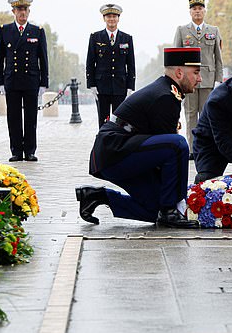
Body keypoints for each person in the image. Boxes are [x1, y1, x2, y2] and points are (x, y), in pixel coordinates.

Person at [76, 48, 202, 229]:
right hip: (116, 153)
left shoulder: (167, 91)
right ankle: (170, 211)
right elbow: (168, 152)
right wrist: (177, 201)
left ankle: (97, 196)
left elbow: (161, 156)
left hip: (123, 152)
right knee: (178, 144)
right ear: (179, 73)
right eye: (196, 73)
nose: (200, 79)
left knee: (154, 212)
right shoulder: (165, 96)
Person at [0, 0, 48, 162]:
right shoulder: (4, 30)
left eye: (25, 10)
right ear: (13, 12)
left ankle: (30, 151)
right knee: (14, 117)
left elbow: (43, 58)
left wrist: (43, 82)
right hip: (12, 79)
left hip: (31, 80)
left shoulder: (37, 31)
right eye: (19, 10)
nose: (22, 13)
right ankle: (16, 151)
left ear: (29, 11)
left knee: (31, 117)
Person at [173, 0, 223, 158]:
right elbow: (176, 57)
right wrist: (177, 79)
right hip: (188, 81)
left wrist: (219, 80)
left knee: (208, 114)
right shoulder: (181, 30)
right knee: (190, 113)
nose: (197, 11)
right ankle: (193, 149)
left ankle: (207, 147)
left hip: (208, 78)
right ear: (190, 11)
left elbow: (218, 57)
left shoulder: (214, 30)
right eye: (194, 9)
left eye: (200, 8)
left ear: (204, 11)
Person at [86, 4, 136, 129]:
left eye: (114, 16)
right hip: (101, 86)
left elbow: (130, 64)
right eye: (108, 16)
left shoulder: (127, 38)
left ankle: (117, 146)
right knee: (103, 120)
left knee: (119, 121)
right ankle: (103, 146)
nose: (111, 19)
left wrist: (130, 86)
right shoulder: (95, 37)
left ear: (118, 18)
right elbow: (90, 62)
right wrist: (91, 84)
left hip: (120, 86)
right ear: (104, 18)